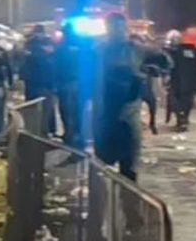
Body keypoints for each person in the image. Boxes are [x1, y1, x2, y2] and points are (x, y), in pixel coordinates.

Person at [95, 13, 145, 181]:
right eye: (113, 27)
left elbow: (164, 62)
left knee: (129, 165)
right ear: (108, 28)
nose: (117, 31)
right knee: (102, 165)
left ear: (125, 28)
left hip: (128, 112)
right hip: (106, 113)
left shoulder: (135, 49)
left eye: (120, 27)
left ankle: (128, 204)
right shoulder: (99, 49)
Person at [21, 24, 57, 136]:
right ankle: (45, 131)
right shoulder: (48, 45)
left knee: (36, 109)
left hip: (33, 84)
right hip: (44, 84)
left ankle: (37, 131)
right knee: (46, 109)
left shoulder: (29, 45)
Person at [54, 22, 85, 150]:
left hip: (65, 84)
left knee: (66, 111)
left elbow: (56, 67)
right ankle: (77, 135)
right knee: (78, 111)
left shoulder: (61, 48)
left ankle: (69, 135)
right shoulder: (81, 46)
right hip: (79, 84)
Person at [166, 31, 196, 131]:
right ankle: (183, 118)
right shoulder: (192, 50)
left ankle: (181, 118)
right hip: (189, 81)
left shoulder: (173, 51)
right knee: (186, 102)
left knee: (177, 101)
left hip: (177, 81)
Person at [138, 36, 172, 136]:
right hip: (133, 87)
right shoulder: (130, 54)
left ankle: (152, 123)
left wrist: (162, 72)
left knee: (152, 103)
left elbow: (167, 63)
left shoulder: (151, 54)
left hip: (146, 86)